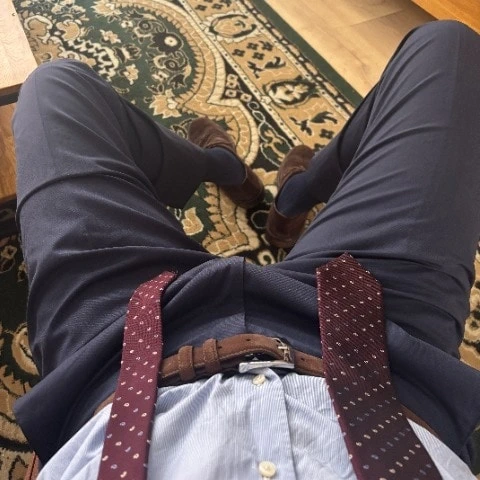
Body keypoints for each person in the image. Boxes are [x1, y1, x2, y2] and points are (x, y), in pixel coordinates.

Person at [12, 20, 480, 479]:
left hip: (117, 352)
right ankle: (290, 194)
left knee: (55, 90)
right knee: (450, 52)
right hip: (382, 352)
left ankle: (224, 167)